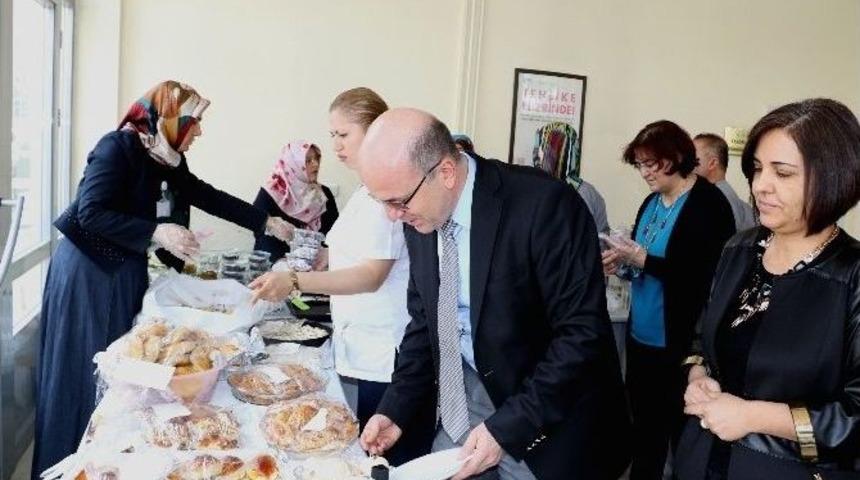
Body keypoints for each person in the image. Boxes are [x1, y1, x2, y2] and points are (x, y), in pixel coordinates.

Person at [32, 80, 293, 478]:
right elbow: (90, 213)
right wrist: (156, 231)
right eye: (195, 121)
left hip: (123, 270)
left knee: (120, 375)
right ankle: (71, 462)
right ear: (171, 118)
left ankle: (112, 461)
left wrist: (265, 220)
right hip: (89, 274)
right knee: (86, 373)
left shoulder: (167, 156)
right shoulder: (117, 147)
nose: (199, 131)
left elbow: (206, 195)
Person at [358, 108, 631, 480]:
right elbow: (426, 323)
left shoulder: (544, 205)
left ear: (446, 172)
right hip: (464, 397)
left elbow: (582, 335)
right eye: (383, 202)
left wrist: (507, 427)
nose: (392, 216)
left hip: (548, 414)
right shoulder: (419, 213)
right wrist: (396, 406)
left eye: (397, 201)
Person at [675, 98, 860, 479]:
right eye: (757, 169)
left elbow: (855, 418)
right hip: (703, 459)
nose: (761, 186)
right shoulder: (739, 249)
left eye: (783, 173)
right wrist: (698, 377)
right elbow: (699, 340)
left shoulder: (851, 275)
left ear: (834, 177)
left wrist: (753, 416)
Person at [249, 87, 434, 466]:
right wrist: (324, 257)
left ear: (376, 130)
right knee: (370, 451)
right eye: (332, 134)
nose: (335, 145)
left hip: (389, 354)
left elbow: (372, 274)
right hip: (365, 343)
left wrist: (296, 282)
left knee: (390, 460)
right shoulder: (364, 192)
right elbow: (358, 250)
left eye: (344, 134)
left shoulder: (385, 194)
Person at [602, 120, 736, 480]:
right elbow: (644, 260)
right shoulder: (651, 201)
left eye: (651, 164)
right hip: (642, 336)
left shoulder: (709, 204)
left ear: (675, 157)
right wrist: (623, 264)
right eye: (640, 165)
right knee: (644, 433)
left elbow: (703, 276)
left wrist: (642, 259)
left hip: (681, 344)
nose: (645, 172)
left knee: (679, 435)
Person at [253, 141, 339, 261]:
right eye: (308, 161)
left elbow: (335, 232)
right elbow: (261, 233)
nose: (315, 164)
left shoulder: (323, 193)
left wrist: (322, 256)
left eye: (317, 159)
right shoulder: (270, 194)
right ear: (292, 166)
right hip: (278, 264)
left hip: (318, 263)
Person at [693, 133, 756, 232]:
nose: (688, 165)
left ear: (712, 163)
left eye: (693, 160)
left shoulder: (714, 202)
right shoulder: (740, 205)